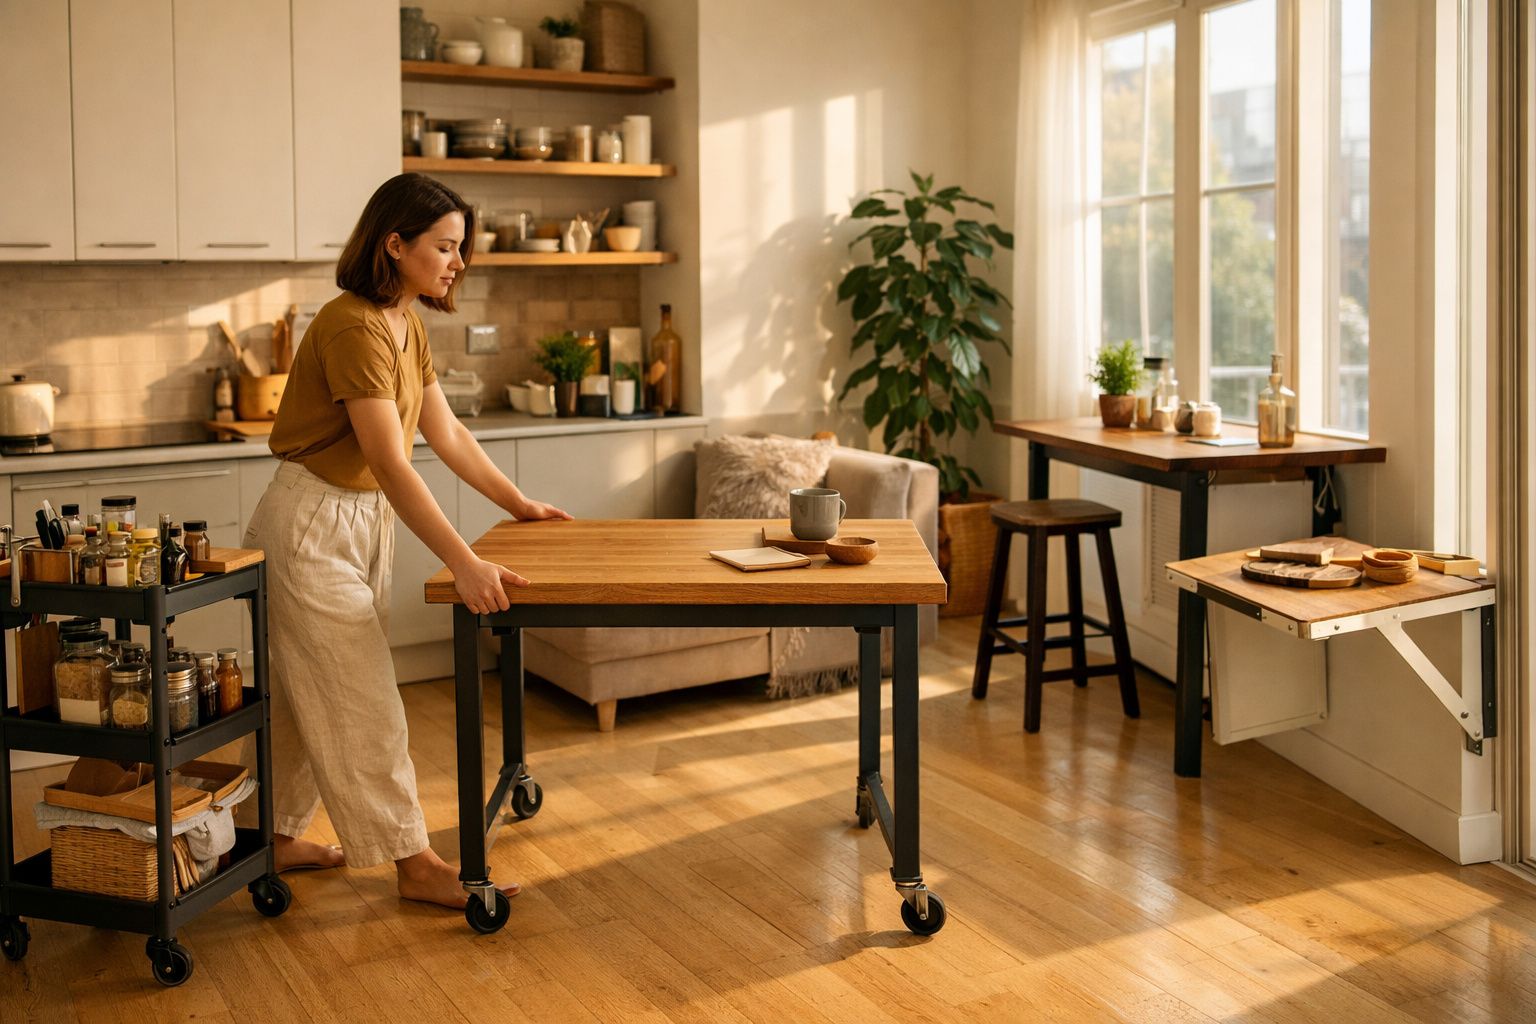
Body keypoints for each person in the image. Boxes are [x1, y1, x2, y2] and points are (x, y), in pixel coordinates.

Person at [246, 173, 570, 909]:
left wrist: (519, 503)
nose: (458, 262)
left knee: (311, 693)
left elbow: (444, 432)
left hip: (357, 522)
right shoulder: (353, 325)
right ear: (394, 244)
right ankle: (416, 863)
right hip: (311, 524)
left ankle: (273, 831)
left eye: (462, 248)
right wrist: (464, 561)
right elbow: (391, 461)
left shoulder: (404, 321)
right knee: (363, 701)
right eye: (445, 246)